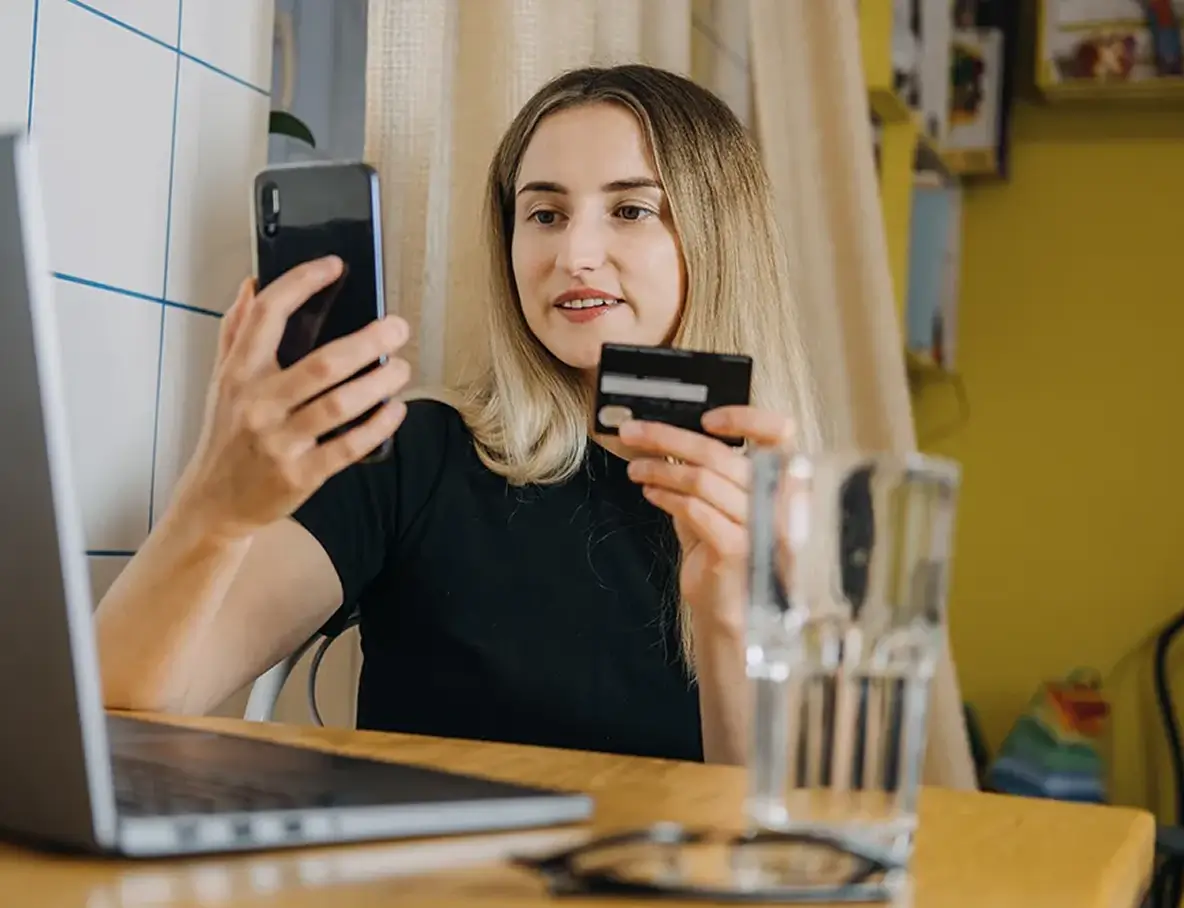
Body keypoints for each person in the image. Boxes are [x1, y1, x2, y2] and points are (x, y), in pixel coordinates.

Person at [95, 63, 815, 765]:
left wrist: (730, 620)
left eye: (630, 210)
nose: (574, 254)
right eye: (544, 213)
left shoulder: (789, 514)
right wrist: (215, 508)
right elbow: (112, 713)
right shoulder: (411, 457)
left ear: (720, 241)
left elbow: (779, 847)